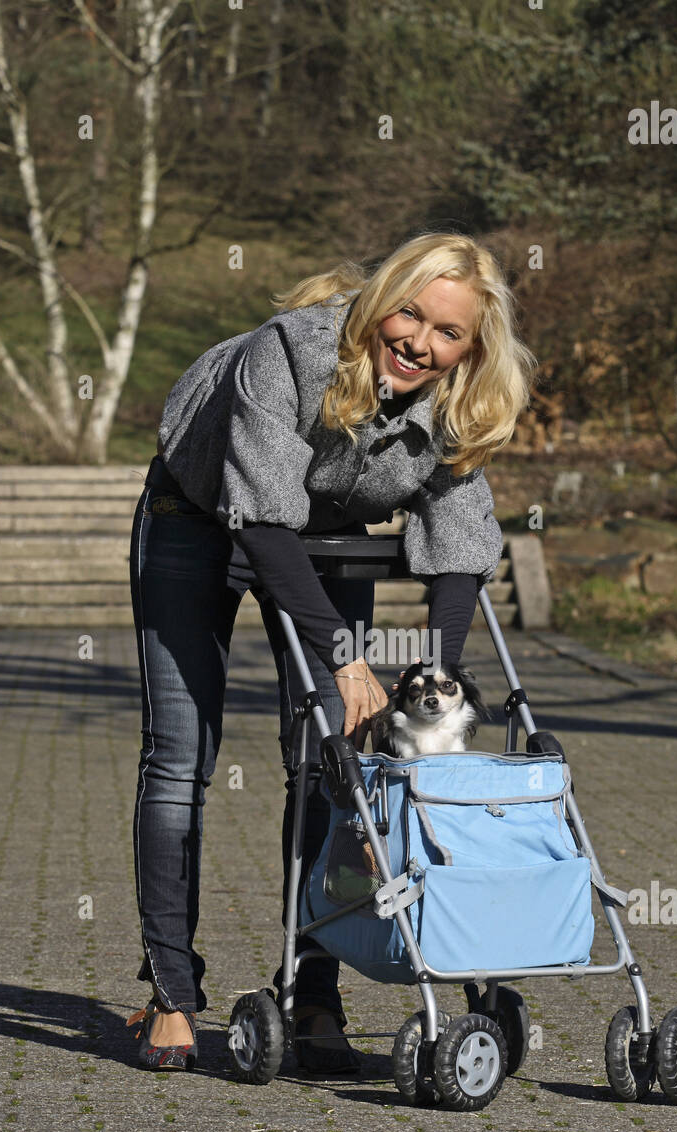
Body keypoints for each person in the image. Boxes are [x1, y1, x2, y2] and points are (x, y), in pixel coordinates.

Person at [126, 230, 536, 1073]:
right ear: (382, 300)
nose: (421, 343)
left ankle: (310, 990)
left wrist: (441, 678)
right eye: (410, 315)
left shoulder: (459, 398)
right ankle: (170, 992)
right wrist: (348, 659)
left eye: (448, 333)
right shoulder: (289, 353)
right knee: (179, 757)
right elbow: (262, 518)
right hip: (198, 515)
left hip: (325, 536)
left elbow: (458, 549)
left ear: (473, 345)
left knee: (327, 758)